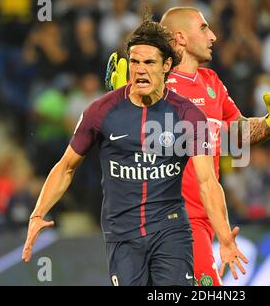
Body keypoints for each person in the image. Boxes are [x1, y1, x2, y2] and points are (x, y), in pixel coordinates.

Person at [21, 19, 248, 286]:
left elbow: (207, 181)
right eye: (135, 62)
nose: (140, 70)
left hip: (171, 231)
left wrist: (223, 237)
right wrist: (38, 214)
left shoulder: (188, 115)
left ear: (166, 67)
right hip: (122, 235)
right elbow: (66, 167)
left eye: (149, 63)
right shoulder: (101, 112)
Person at [106, 7, 270, 286]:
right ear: (181, 38)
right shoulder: (152, 81)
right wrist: (121, 99)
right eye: (203, 28)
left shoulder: (212, 83)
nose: (212, 36)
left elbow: (238, 135)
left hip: (201, 219)